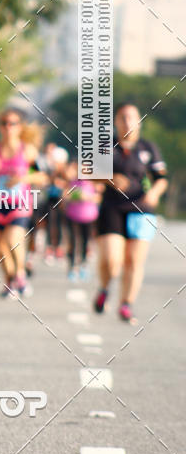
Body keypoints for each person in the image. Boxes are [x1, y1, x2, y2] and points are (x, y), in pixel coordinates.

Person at [93, 103, 168, 323]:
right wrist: (109, 178)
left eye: (132, 117)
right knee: (112, 260)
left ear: (139, 121)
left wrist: (154, 192)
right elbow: (87, 172)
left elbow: (161, 179)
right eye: (123, 117)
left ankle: (126, 303)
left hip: (141, 210)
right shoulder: (106, 146)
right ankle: (105, 288)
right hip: (111, 208)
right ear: (116, 121)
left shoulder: (148, 148)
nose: (128, 122)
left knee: (134, 262)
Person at [0, 110, 43, 298]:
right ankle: (11, 281)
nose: (8, 127)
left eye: (13, 123)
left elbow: (41, 176)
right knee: (1, 249)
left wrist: (23, 177)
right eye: (4, 123)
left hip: (20, 204)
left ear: (20, 127)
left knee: (12, 240)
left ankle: (21, 274)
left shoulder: (27, 151)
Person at [62, 160, 101, 281]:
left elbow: (99, 197)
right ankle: (73, 267)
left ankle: (83, 265)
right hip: (73, 215)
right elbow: (65, 196)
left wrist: (88, 197)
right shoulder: (73, 182)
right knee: (73, 241)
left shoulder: (94, 183)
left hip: (89, 216)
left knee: (85, 241)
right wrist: (75, 196)